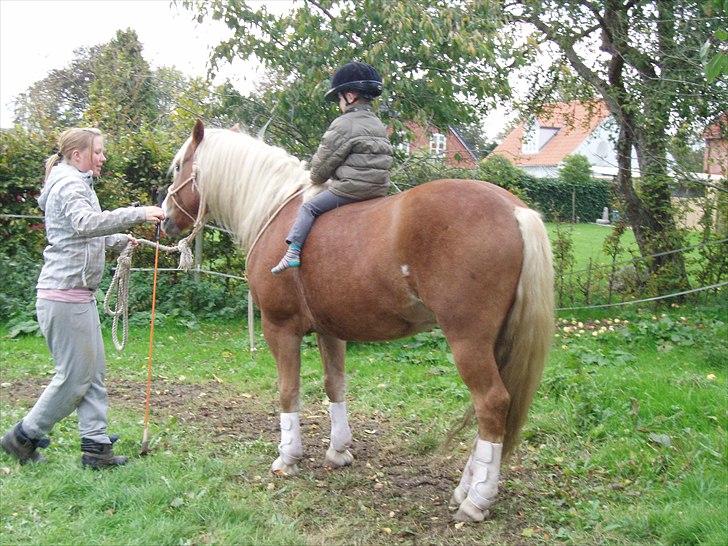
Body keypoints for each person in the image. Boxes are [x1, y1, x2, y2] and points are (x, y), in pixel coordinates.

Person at [0, 128, 165, 469]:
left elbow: (82, 235)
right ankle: (23, 437)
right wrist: (137, 214)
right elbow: (84, 224)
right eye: (99, 151)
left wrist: (119, 240)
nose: (103, 157)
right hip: (64, 297)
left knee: (93, 374)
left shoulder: (78, 184)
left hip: (77, 296)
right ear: (78, 156)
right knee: (74, 378)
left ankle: (96, 448)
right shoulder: (70, 185)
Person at [271, 61, 393, 274]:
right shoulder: (377, 124)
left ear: (351, 95)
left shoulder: (344, 124)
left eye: (339, 97)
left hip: (350, 191)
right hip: (379, 190)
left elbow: (319, 172)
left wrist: (318, 177)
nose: (339, 103)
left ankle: (293, 252)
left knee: (309, 207)